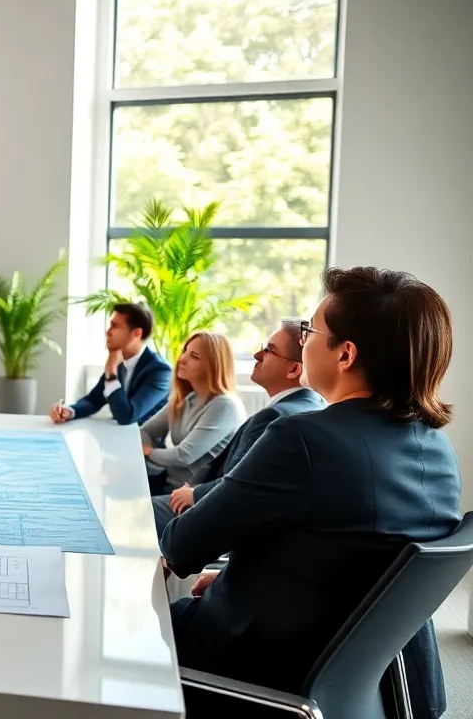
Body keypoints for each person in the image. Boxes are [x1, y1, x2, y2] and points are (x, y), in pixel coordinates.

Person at [160, 267, 460, 719]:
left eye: (310, 330)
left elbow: (182, 546)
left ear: (346, 355)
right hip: (361, 685)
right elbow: (352, 559)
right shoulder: (437, 450)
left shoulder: (301, 437)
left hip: (258, 674)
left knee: (122, 633)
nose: (303, 340)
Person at [150, 320, 325, 534]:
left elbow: (239, 484)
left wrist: (195, 494)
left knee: (135, 512)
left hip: (213, 510)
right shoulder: (309, 405)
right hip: (201, 493)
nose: (256, 355)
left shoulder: (275, 415)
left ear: (294, 369)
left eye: (269, 350)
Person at [139, 331, 243, 496]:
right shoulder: (187, 398)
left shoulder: (224, 406)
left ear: (213, 365)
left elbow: (183, 456)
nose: (182, 359)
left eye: (194, 356)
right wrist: (151, 455)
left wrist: (150, 452)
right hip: (167, 483)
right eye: (184, 351)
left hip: (190, 498)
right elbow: (145, 431)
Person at [51, 302, 172, 426]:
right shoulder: (119, 362)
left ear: (137, 334)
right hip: (118, 437)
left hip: (144, 442)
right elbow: (93, 400)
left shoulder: (160, 371)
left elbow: (127, 416)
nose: (107, 332)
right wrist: (69, 411)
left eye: (115, 326)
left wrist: (112, 372)